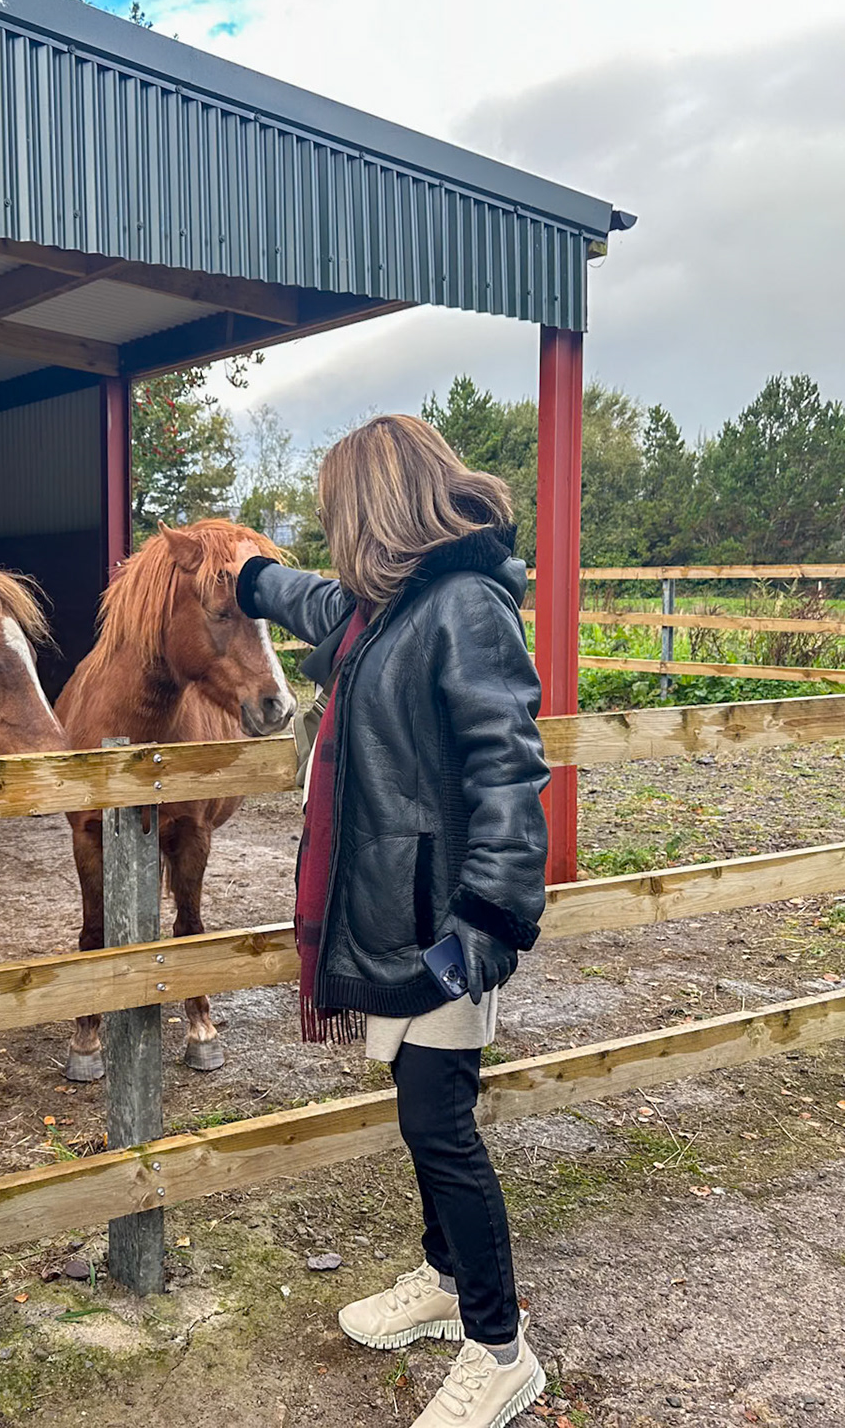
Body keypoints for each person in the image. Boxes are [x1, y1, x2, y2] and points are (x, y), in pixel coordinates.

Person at [234, 414, 550, 1428]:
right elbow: (311, 600)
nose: (330, 532)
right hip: (397, 911)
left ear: (372, 508)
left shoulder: (466, 608)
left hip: (444, 925)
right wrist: (245, 577)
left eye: (335, 512)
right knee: (425, 1119)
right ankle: (444, 1281)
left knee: (440, 1126)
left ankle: (499, 1348)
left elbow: (509, 768)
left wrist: (489, 919)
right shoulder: (384, 611)